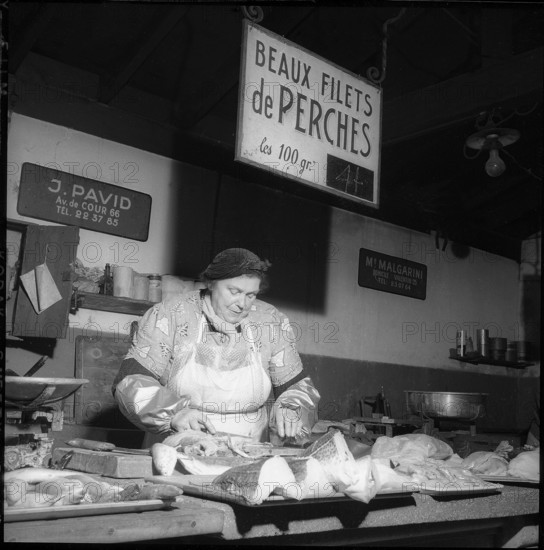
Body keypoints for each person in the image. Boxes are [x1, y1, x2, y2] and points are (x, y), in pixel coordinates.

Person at [112, 248, 321, 445]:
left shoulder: (270, 321)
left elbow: (296, 388)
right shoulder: (170, 314)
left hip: (249, 448)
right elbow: (129, 382)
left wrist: (293, 408)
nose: (243, 304)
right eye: (234, 291)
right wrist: (174, 413)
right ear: (211, 283)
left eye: (251, 295)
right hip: (179, 443)